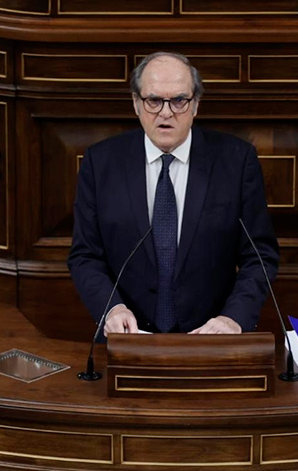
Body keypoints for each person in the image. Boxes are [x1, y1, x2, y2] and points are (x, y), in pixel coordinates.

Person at [68, 52, 279, 336]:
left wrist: (233, 318)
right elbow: (85, 255)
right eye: (154, 100)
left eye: (179, 100)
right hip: (129, 339)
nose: (166, 113)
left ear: (195, 105)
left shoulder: (236, 161)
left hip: (211, 338)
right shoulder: (100, 163)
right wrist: (112, 309)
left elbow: (260, 256)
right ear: (136, 103)